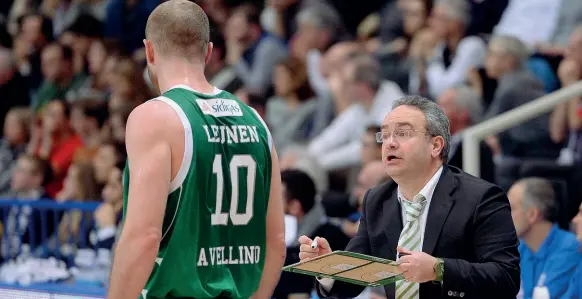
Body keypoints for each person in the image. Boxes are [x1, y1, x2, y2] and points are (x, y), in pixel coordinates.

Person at [106, 1, 286, 299]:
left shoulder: (155, 116)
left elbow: (143, 237)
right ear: (209, 51)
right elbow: (276, 242)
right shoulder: (256, 120)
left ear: (149, 51)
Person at [299, 95, 520, 299]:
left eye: (402, 133)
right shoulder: (377, 200)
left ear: (435, 145)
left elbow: (506, 277)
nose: (390, 143)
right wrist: (327, 267)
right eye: (384, 136)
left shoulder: (481, 198)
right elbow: (357, 276)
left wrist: (439, 270)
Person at [507, 178, 580, 298]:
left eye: (511, 208)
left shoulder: (570, 248)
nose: (504, 215)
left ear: (532, 214)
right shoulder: (518, 250)